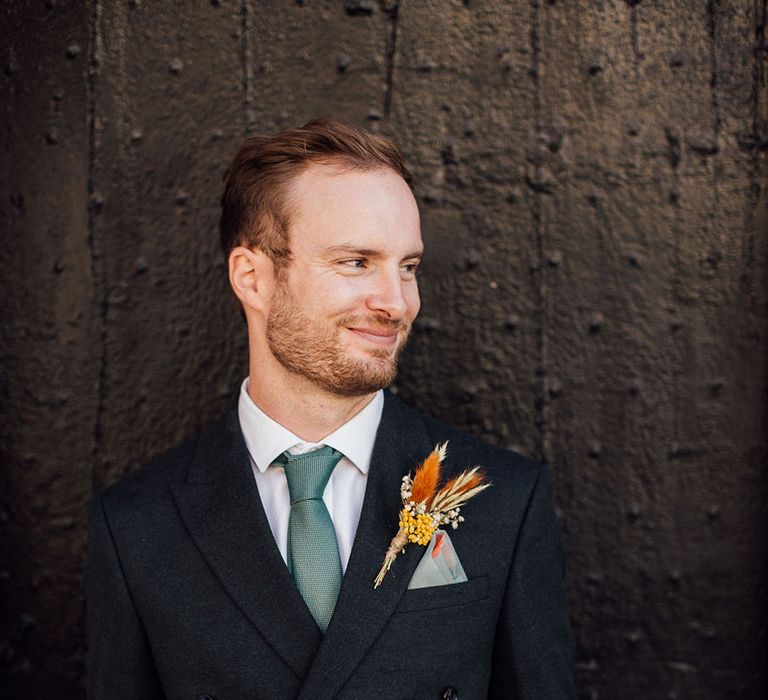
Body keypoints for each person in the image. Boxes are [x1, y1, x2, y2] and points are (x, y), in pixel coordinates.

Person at [86, 118, 575, 699]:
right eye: (355, 262)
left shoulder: (505, 500)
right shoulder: (136, 526)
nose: (396, 302)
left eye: (409, 267)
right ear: (254, 278)